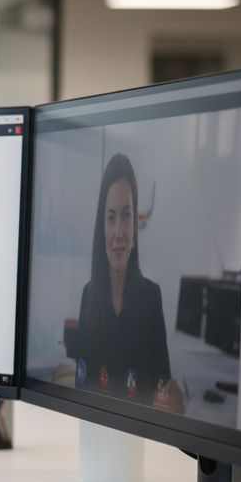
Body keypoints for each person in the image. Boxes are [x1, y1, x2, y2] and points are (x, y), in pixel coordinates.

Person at [73, 153, 183, 413]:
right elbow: (81, 393)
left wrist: (175, 405)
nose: (119, 232)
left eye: (126, 216)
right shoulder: (88, 297)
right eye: (111, 218)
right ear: (102, 226)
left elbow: (163, 393)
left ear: (136, 223)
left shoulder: (151, 297)